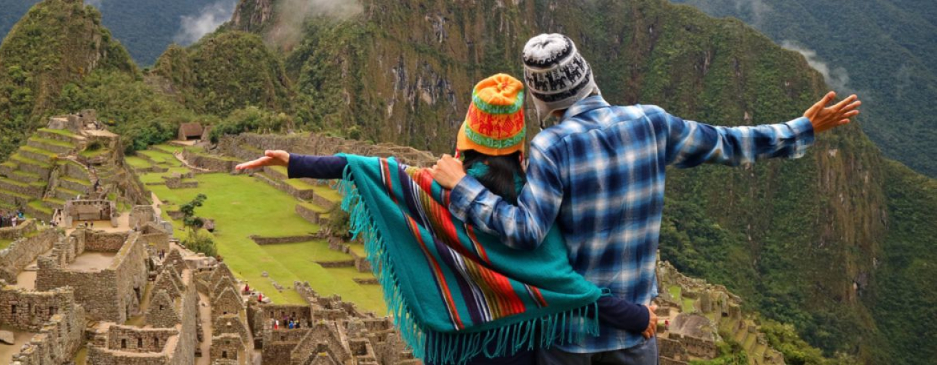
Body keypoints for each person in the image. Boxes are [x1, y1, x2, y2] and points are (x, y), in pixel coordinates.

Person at [429, 34, 860, 365]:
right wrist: (801, 128)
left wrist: (462, 187)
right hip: (635, 328)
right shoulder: (651, 123)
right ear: (589, 76)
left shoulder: (552, 147)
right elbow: (728, 143)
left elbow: (525, 232)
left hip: (570, 336)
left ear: (540, 99)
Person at [239, 74, 656, 365]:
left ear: (464, 144)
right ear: (519, 151)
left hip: (453, 349)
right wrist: (635, 317)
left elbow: (374, 170)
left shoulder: (433, 191)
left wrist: (294, 161)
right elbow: (567, 285)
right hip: (515, 348)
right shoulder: (533, 204)